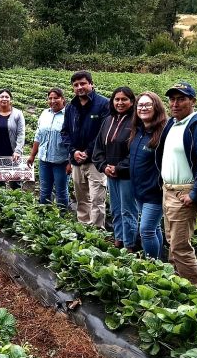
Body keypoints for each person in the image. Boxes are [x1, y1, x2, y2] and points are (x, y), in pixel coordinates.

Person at [156, 81, 197, 287]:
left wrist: (195, 194)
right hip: (168, 190)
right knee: (171, 239)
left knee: (180, 244)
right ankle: (178, 280)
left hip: (184, 193)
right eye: (172, 99)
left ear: (193, 101)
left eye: (181, 99)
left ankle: (194, 288)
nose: (175, 103)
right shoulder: (173, 123)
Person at [61, 70, 110, 227]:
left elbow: (103, 133)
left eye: (83, 83)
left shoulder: (103, 104)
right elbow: (65, 132)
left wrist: (88, 152)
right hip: (77, 161)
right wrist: (73, 151)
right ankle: (83, 228)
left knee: (97, 198)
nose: (79, 87)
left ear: (91, 84)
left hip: (96, 161)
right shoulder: (71, 107)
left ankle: (97, 231)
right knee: (81, 198)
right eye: (76, 85)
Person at [93, 87, 138, 250]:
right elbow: (98, 147)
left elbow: (136, 151)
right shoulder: (108, 120)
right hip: (111, 173)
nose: (120, 103)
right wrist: (103, 166)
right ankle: (119, 238)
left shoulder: (136, 121)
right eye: (117, 99)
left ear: (132, 102)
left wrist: (119, 168)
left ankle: (130, 244)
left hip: (127, 175)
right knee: (116, 208)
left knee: (128, 210)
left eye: (124, 99)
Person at [128, 91, 166, 260]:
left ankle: (152, 264)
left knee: (146, 230)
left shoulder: (163, 133)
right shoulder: (138, 131)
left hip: (154, 192)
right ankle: (158, 261)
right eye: (140, 105)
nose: (143, 108)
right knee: (154, 228)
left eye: (147, 105)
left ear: (156, 107)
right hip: (139, 190)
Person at [27, 88, 70, 210]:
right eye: (50, 98)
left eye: (56, 98)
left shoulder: (68, 116)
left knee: (61, 191)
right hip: (44, 160)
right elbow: (38, 136)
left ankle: (61, 217)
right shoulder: (45, 113)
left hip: (61, 161)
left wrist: (71, 162)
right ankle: (44, 215)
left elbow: (74, 141)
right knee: (44, 189)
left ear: (62, 99)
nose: (52, 101)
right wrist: (32, 155)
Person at [0, 88, 26, 189]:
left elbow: (21, 134)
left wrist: (18, 151)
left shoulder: (18, 114)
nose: (4, 99)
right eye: (1, 97)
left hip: (13, 155)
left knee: (16, 185)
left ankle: (17, 203)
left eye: (7, 97)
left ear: (11, 100)